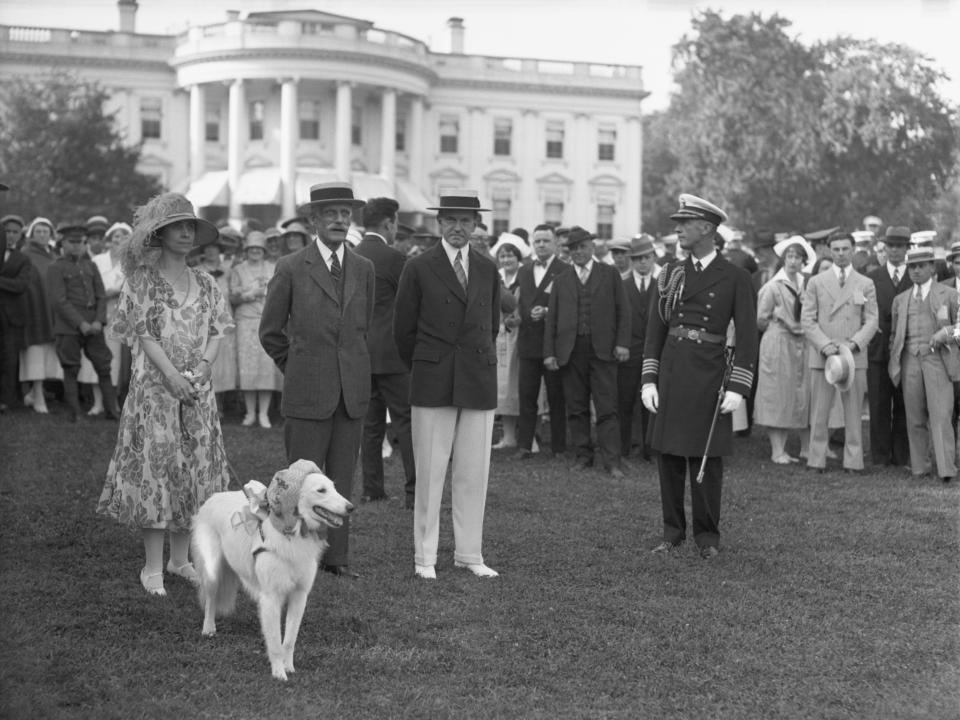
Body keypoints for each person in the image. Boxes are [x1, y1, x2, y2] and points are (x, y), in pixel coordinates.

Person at [96, 192, 234, 596]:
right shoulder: (142, 281)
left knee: (192, 471)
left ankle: (180, 559)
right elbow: (142, 333)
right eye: (179, 226)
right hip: (154, 392)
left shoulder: (206, 281)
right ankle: (152, 567)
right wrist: (172, 375)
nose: (187, 233)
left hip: (196, 392)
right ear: (160, 233)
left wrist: (204, 368)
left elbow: (216, 332)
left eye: (191, 227)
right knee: (157, 471)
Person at [260, 182, 375, 579]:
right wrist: (298, 367)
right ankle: (292, 553)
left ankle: (336, 559)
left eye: (346, 214)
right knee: (301, 480)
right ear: (314, 221)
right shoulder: (291, 267)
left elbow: (365, 327)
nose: (340, 220)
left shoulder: (363, 268)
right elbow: (270, 331)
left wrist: (355, 369)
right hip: (307, 391)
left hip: (351, 392)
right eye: (331, 214)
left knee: (341, 479)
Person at [641, 194, 758, 559]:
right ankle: (672, 532)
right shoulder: (671, 272)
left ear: (706, 228)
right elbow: (655, 330)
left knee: (707, 456)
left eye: (684, 223)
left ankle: (708, 537)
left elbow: (749, 338)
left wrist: (739, 386)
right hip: (673, 372)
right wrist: (649, 378)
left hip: (710, 374)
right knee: (670, 456)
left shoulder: (735, 276)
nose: (677, 229)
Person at [394, 189, 502, 580]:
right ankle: (425, 557)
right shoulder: (419, 267)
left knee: (474, 471)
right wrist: (429, 362)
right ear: (439, 224)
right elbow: (402, 330)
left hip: (477, 377)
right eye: (451, 220)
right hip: (433, 377)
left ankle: (469, 554)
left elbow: (492, 325)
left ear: (476, 226)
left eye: (467, 221)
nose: (459, 228)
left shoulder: (488, 269)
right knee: (431, 470)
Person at [544, 226, 631, 478]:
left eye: (582, 247)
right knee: (576, 406)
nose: (578, 252)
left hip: (604, 350)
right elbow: (552, 320)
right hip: (570, 351)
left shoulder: (610, 274)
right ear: (568, 252)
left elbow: (623, 311)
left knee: (607, 407)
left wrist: (622, 343)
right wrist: (549, 352)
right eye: (573, 248)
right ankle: (583, 455)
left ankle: (612, 461)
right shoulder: (561, 280)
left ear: (592, 247)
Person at [353, 197, 416, 508]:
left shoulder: (352, 255)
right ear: (389, 223)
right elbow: (411, 306)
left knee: (371, 425)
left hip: (362, 353)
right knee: (406, 423)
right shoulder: (396, 259)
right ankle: (414, 492)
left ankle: (371, 488)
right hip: (393, 354)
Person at [801, 231, 878, 473]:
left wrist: (855, 344)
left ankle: (853, 461)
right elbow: (807, 319)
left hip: (853, 355)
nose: (841, 254)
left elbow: (872, 320)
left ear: (853, 250)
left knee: (853, 413)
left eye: (845, 249)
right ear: (829, 251)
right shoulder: (816, 282)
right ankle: (816, 459)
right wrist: (824, 345)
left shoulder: (865, 283)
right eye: (836, 249)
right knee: (820, 411)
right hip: (823, 355)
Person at [889, 247, 958, 483]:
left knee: (941, 415)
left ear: (932, 267)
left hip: (937, 359)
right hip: (909, 360)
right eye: (912, 267)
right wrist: (895, 357)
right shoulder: (900, 299)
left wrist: (946, 333)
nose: (916, 271)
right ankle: (920, 467)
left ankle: (946, 470)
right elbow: (894, 335)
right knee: (914, 416)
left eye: (921, 266)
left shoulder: (949, 294)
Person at [46, 221, 120, 422]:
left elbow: (100, 296)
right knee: (71, 369)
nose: (77, 246)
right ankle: (76, 413)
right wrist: (81, 324)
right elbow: (59, 301)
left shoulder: (91, 265)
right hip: (68, 328)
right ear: (63, 243)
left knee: (104, 367)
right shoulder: (55, 267)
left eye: (80, 242)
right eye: (72, 242)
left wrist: (98, 321)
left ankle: (112, 411)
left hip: (93, 327)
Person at [754, 236, 814, 463]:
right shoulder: (772, 286)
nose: (793, 261)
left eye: (798, 257)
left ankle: (806, 448)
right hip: (778, 342)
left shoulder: (807, 284)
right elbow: (760, 319)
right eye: (789, 256)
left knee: (802, 393)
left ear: (803, 261)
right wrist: (782, 322)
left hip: (802, 344)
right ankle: (777, 450)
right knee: (777, 393)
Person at [514, 224, 570, 460]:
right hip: (527, 342)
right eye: (537, 241)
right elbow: (520, 302)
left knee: (557, 397)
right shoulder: (524, 270)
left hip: (553, 344)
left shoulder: (565, 270)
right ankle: (525, 445)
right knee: (527, 396)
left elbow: (569, 306)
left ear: (555, 243)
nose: (541, 245)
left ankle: (558, 447)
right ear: (532, 244)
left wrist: (548, 311)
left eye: (546, 241)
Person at [866, 226, 911, 467]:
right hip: (878, 350)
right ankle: (881, 456)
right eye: (890, 246)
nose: (894, 250)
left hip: (907, 351)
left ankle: (901, 455)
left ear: (907, 248)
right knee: (879, 403)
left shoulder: (916, 275)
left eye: (899, 246)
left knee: (905, 404)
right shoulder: (872, 277)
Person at [230, 231, 279, 428]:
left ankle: (264, 413)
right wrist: (250, 294)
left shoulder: (272, 267)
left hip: (267, 321)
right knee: (247, 367)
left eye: (259, 248)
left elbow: (281, 292)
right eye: (252, 249)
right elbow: (233, 297)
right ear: (246, 250)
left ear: (264, 251)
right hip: (245, 321)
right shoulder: (238, 269)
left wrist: (266, 290)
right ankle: (250, 413)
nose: (255, 252)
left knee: (266, 366)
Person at [618, 235, 660, 460]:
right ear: (631, 261)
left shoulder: (661, 285)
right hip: (628, 351)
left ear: (653, 258)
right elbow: (616, 318)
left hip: (653, 352)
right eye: (638, 259)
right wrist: (621, 345)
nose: (643, 262)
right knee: (624, 401)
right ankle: (624, 447)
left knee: (651, 402)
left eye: (647, 257)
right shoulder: (622, 285)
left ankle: (649, 448)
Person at [491, 232, 528, 449]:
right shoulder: (495, 277)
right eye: (503, 256)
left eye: (510, 256)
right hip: (500, 336)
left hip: (521, 337)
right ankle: (508, 435)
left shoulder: (526, 277)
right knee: (502, 386)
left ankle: (528, 435)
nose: (507, 260)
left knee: (521, 385)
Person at [19, 217, 59, 413]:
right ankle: (37, 393)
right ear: (31, 234)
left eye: (45, 231)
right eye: (38, 231)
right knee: (35, 352)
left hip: (52, 311)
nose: (42, 235)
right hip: (34, 312)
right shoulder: (26, 254)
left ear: (51, 234)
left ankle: (37, 392)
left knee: (48, 353)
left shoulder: (54, 255)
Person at [0, 214, 32, 412]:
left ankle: (7, 400)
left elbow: (20, 285)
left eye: (14, 232)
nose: (10, 236)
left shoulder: (23, 259)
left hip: (12, 317)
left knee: (9, 358)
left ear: (20, 235)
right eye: (7, 231)